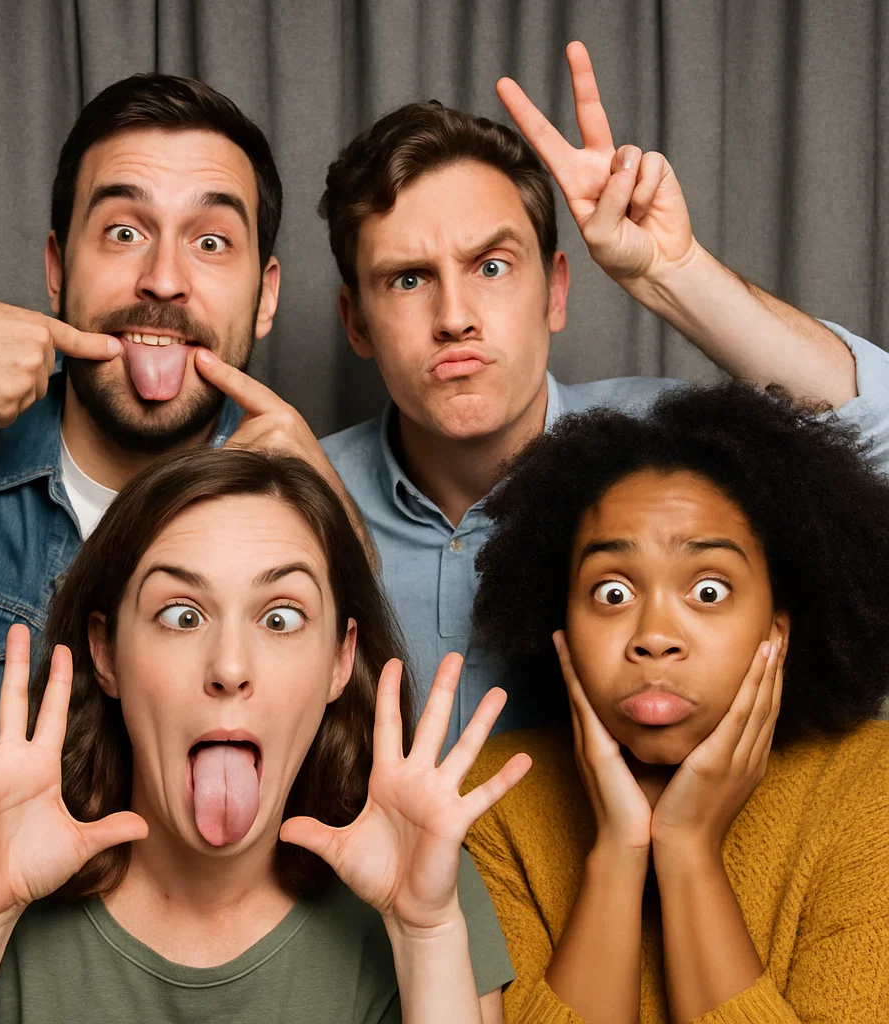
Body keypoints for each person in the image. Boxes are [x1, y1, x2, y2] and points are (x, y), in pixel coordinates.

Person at [0, 74, 354, 930]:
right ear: (57, 268)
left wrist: (338, 531)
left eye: (210, 243)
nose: (162, 279)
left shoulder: (305, 516)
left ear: (266, 294)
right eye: (124, 231)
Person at [319, 42, 889, 746]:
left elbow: (876, 447)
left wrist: (675, 273)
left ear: (556, 289)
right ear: (356, 321)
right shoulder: (299, 483)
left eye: (491, 266)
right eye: (408, 278)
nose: (454, 315)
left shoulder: (672, 456)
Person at [0, 447, 528, 1023]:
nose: (230, 668)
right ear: (106, 651)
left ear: (339, 661)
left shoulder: (421, 873)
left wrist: (426, 935)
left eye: (281, 618)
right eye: (182, 615)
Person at [463, 381, 889, 1022]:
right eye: (612, 593)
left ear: (779, 625)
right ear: (561, 627)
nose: (654, 637)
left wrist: (689, 851)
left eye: (709, 591)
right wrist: (618, 852)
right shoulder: (495, 794)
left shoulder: (870, 788)